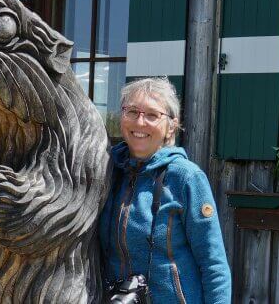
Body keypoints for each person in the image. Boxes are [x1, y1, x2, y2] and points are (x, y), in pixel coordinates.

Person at [99, 77, 232, 303]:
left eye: (152, 115)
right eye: (132, 111)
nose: (140, 123)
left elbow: (213, 264)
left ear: (171, 125)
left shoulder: (186, 178)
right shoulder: (105, 170)